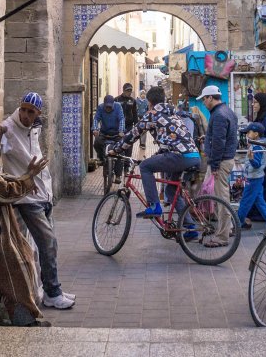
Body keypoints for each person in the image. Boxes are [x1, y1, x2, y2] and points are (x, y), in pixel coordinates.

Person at [0, 120, 51, 326]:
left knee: (25, 255)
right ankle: (24, 319)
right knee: (18, 266)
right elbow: (4, 192)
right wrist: (27, 178)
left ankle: (22, 315)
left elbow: (4, 179)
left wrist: (26, 177)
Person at [1, 92, 76, 310]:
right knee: (48, 243)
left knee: (48, 245)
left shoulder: (34, 128)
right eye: (23, 109)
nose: (25, 114)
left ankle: (48, 289)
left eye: (30, 112)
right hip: (26, 199)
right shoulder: (8, 129)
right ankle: (53, 293)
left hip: (43, 196)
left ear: (38, 114)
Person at [108, 86, 201, 230]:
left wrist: (115, 150)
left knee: (145, 166)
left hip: (179, 156)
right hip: (193, 155)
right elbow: (170, 142)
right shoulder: (173, 114)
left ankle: (154, 205)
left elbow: (133, 134)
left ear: (149, 102)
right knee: (170, 190)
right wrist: (155, 157)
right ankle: (189, 228)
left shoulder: (152, 114)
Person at [197, 84, 238, 248]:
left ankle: (222, 236)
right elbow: (221, 137)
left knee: (221, 200)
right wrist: (207, 138)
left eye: (204, 99)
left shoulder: (219, 115)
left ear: (211, 98)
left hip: (220, 162)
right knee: (218, 197)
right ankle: (229, 227)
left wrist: (214, 165)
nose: (203, 103)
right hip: (224, 160)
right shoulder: (226, 111)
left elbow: (219, 142)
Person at [237, 122, 266, 229]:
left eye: (249, 132)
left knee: (245, 201)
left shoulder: (256, 146)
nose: (247, 134)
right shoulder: (258, 144)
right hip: (257, 177)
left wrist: (251, 158)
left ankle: (238, 222)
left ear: (256, 134)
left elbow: (257, 164)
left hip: (253, 178)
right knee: (259, 202)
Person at [92, 94, 125, 183]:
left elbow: (121, 119)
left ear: (113, 104)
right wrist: (95, 129)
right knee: (97, 142)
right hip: (104, 133)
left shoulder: (118, 107)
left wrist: (121, 131)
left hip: (116, 133)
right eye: (107, 107)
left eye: (110, 107)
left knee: (121, 150)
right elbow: (96, 119)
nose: (108, 108)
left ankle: (118, 175)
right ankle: (101, 159)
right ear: (104, 104)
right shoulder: (100, 107)